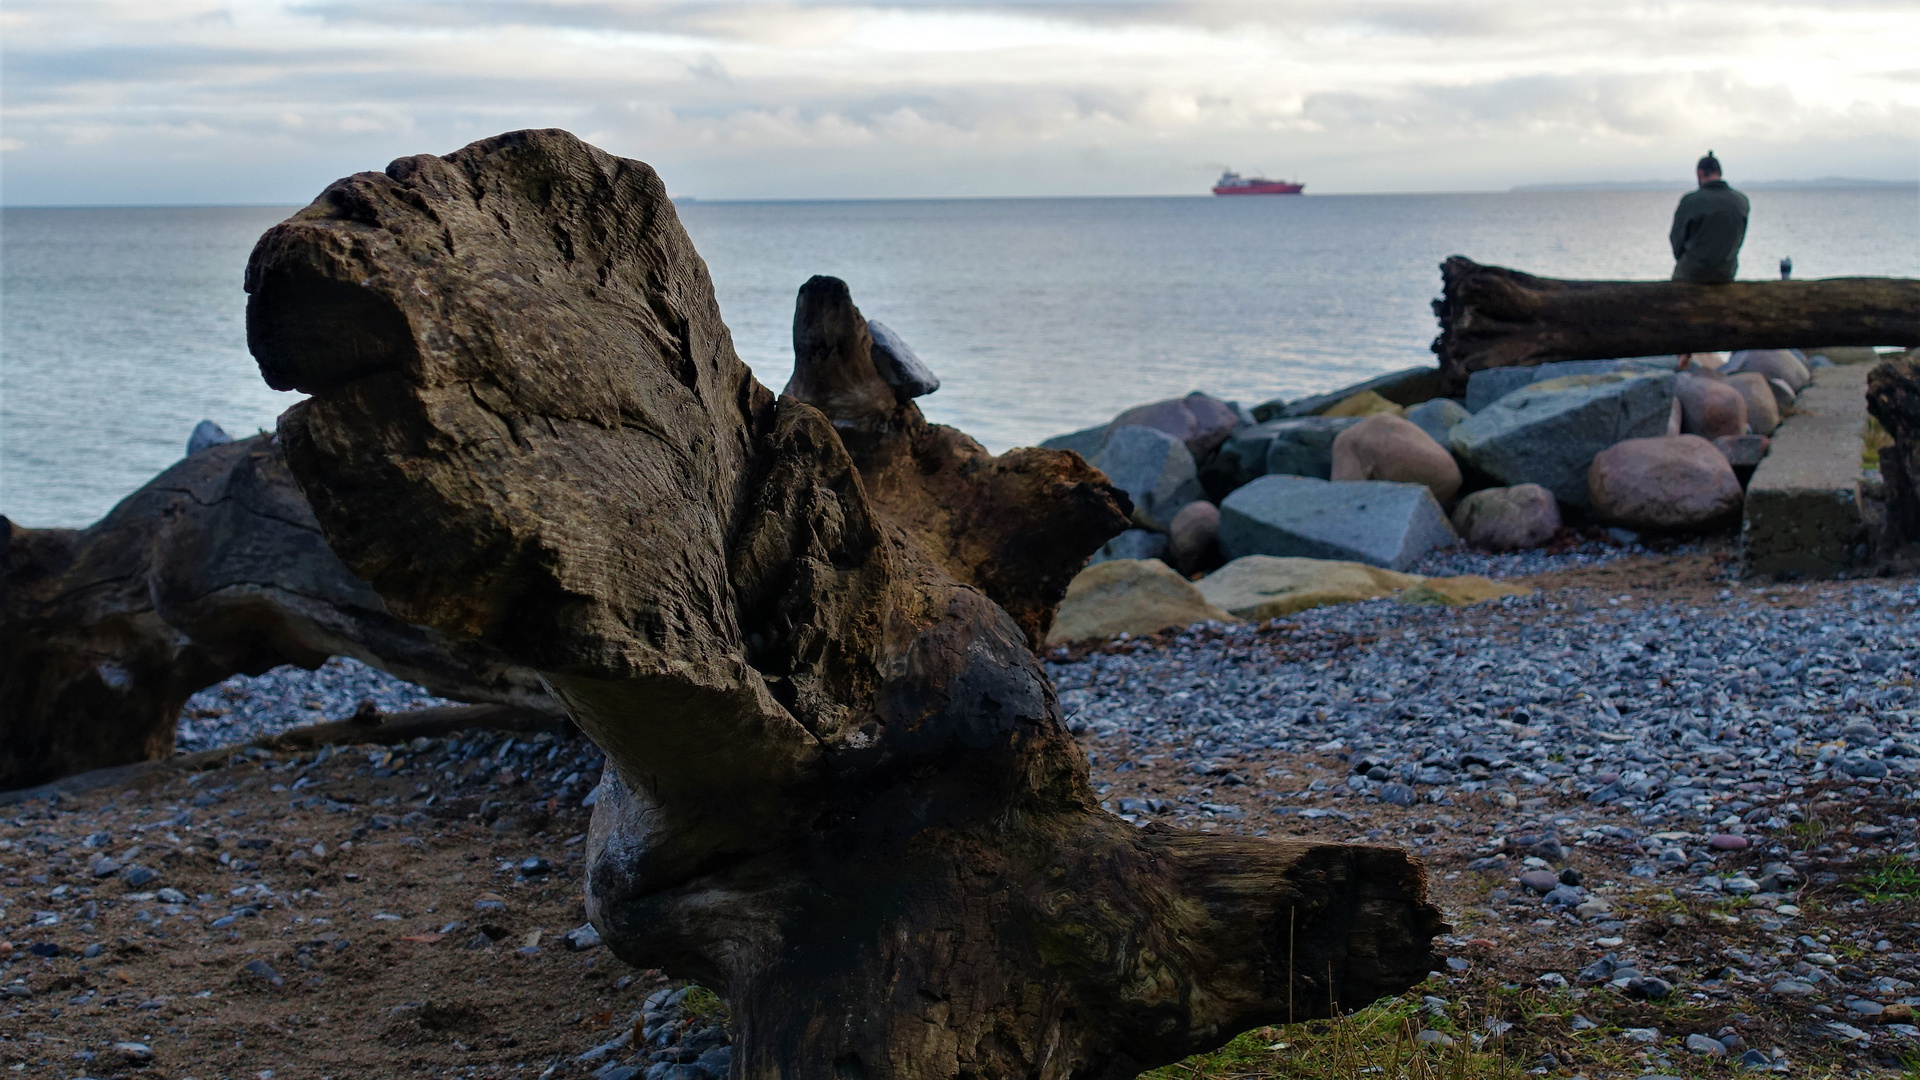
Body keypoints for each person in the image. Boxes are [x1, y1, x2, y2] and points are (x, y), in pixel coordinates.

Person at [1669, 151, 1749, 283]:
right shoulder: (1741, 201)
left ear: (1699, 173)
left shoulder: (1690, 201)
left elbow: (1676, 240)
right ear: (1720, 172)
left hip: (1691, 274)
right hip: (1726, 274)